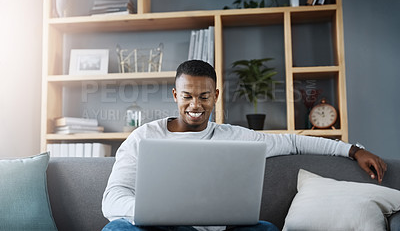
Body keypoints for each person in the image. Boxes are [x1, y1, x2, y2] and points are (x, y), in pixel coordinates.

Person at [102, 60, 387, 231]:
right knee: (116, 228)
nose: (195, 105)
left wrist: (353, 150)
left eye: (203, 97)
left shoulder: (233, 135)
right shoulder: (143, 137)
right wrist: (158, 210)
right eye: (187, 96)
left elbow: (292, 142)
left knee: (265, 229)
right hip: (159, 228)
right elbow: (112, 199)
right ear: (175, 95)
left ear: (215, 96)